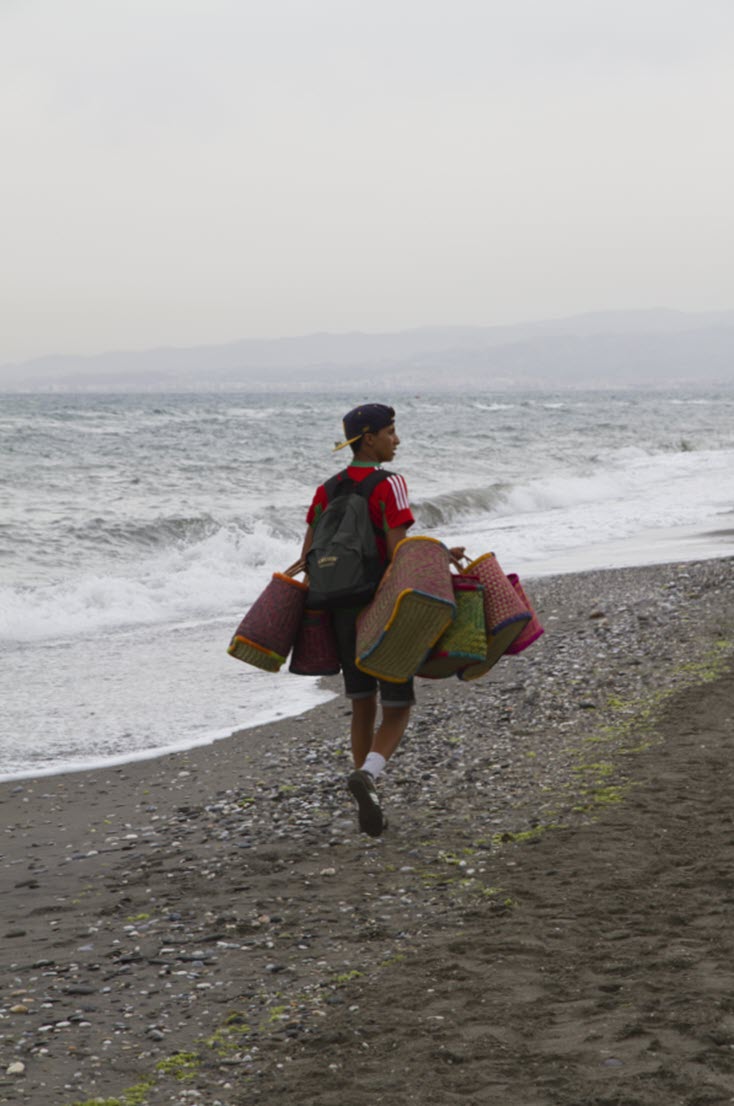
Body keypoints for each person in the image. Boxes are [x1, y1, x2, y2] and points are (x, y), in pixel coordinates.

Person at [301, 403, 462, 839]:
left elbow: (307, 557)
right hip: (379, 608)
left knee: (360, 703)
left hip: (338, 607)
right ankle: (368, 776)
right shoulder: (390, 484)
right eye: (391, 432)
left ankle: (362, 788)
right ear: (368, 437)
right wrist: (439, 562)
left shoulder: (326, 488)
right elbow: (398, 553)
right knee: (397, 707)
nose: (397, 440)